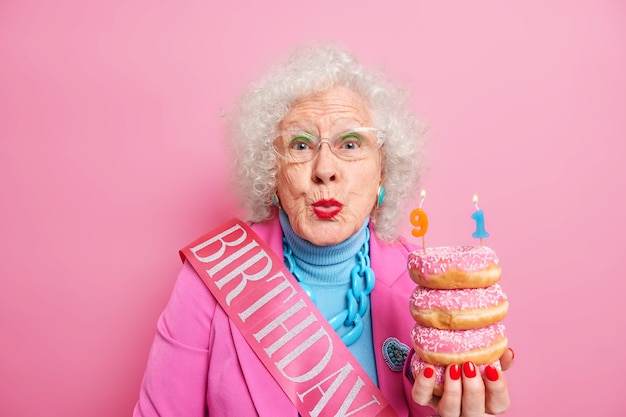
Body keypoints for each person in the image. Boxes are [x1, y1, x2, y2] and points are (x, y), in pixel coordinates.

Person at [133, 43, 513, 417]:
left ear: (383, 171)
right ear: (272, 172)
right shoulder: (209, 281)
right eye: (300, 145)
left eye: (351, 142)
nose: (325, 168)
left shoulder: (429, 291)